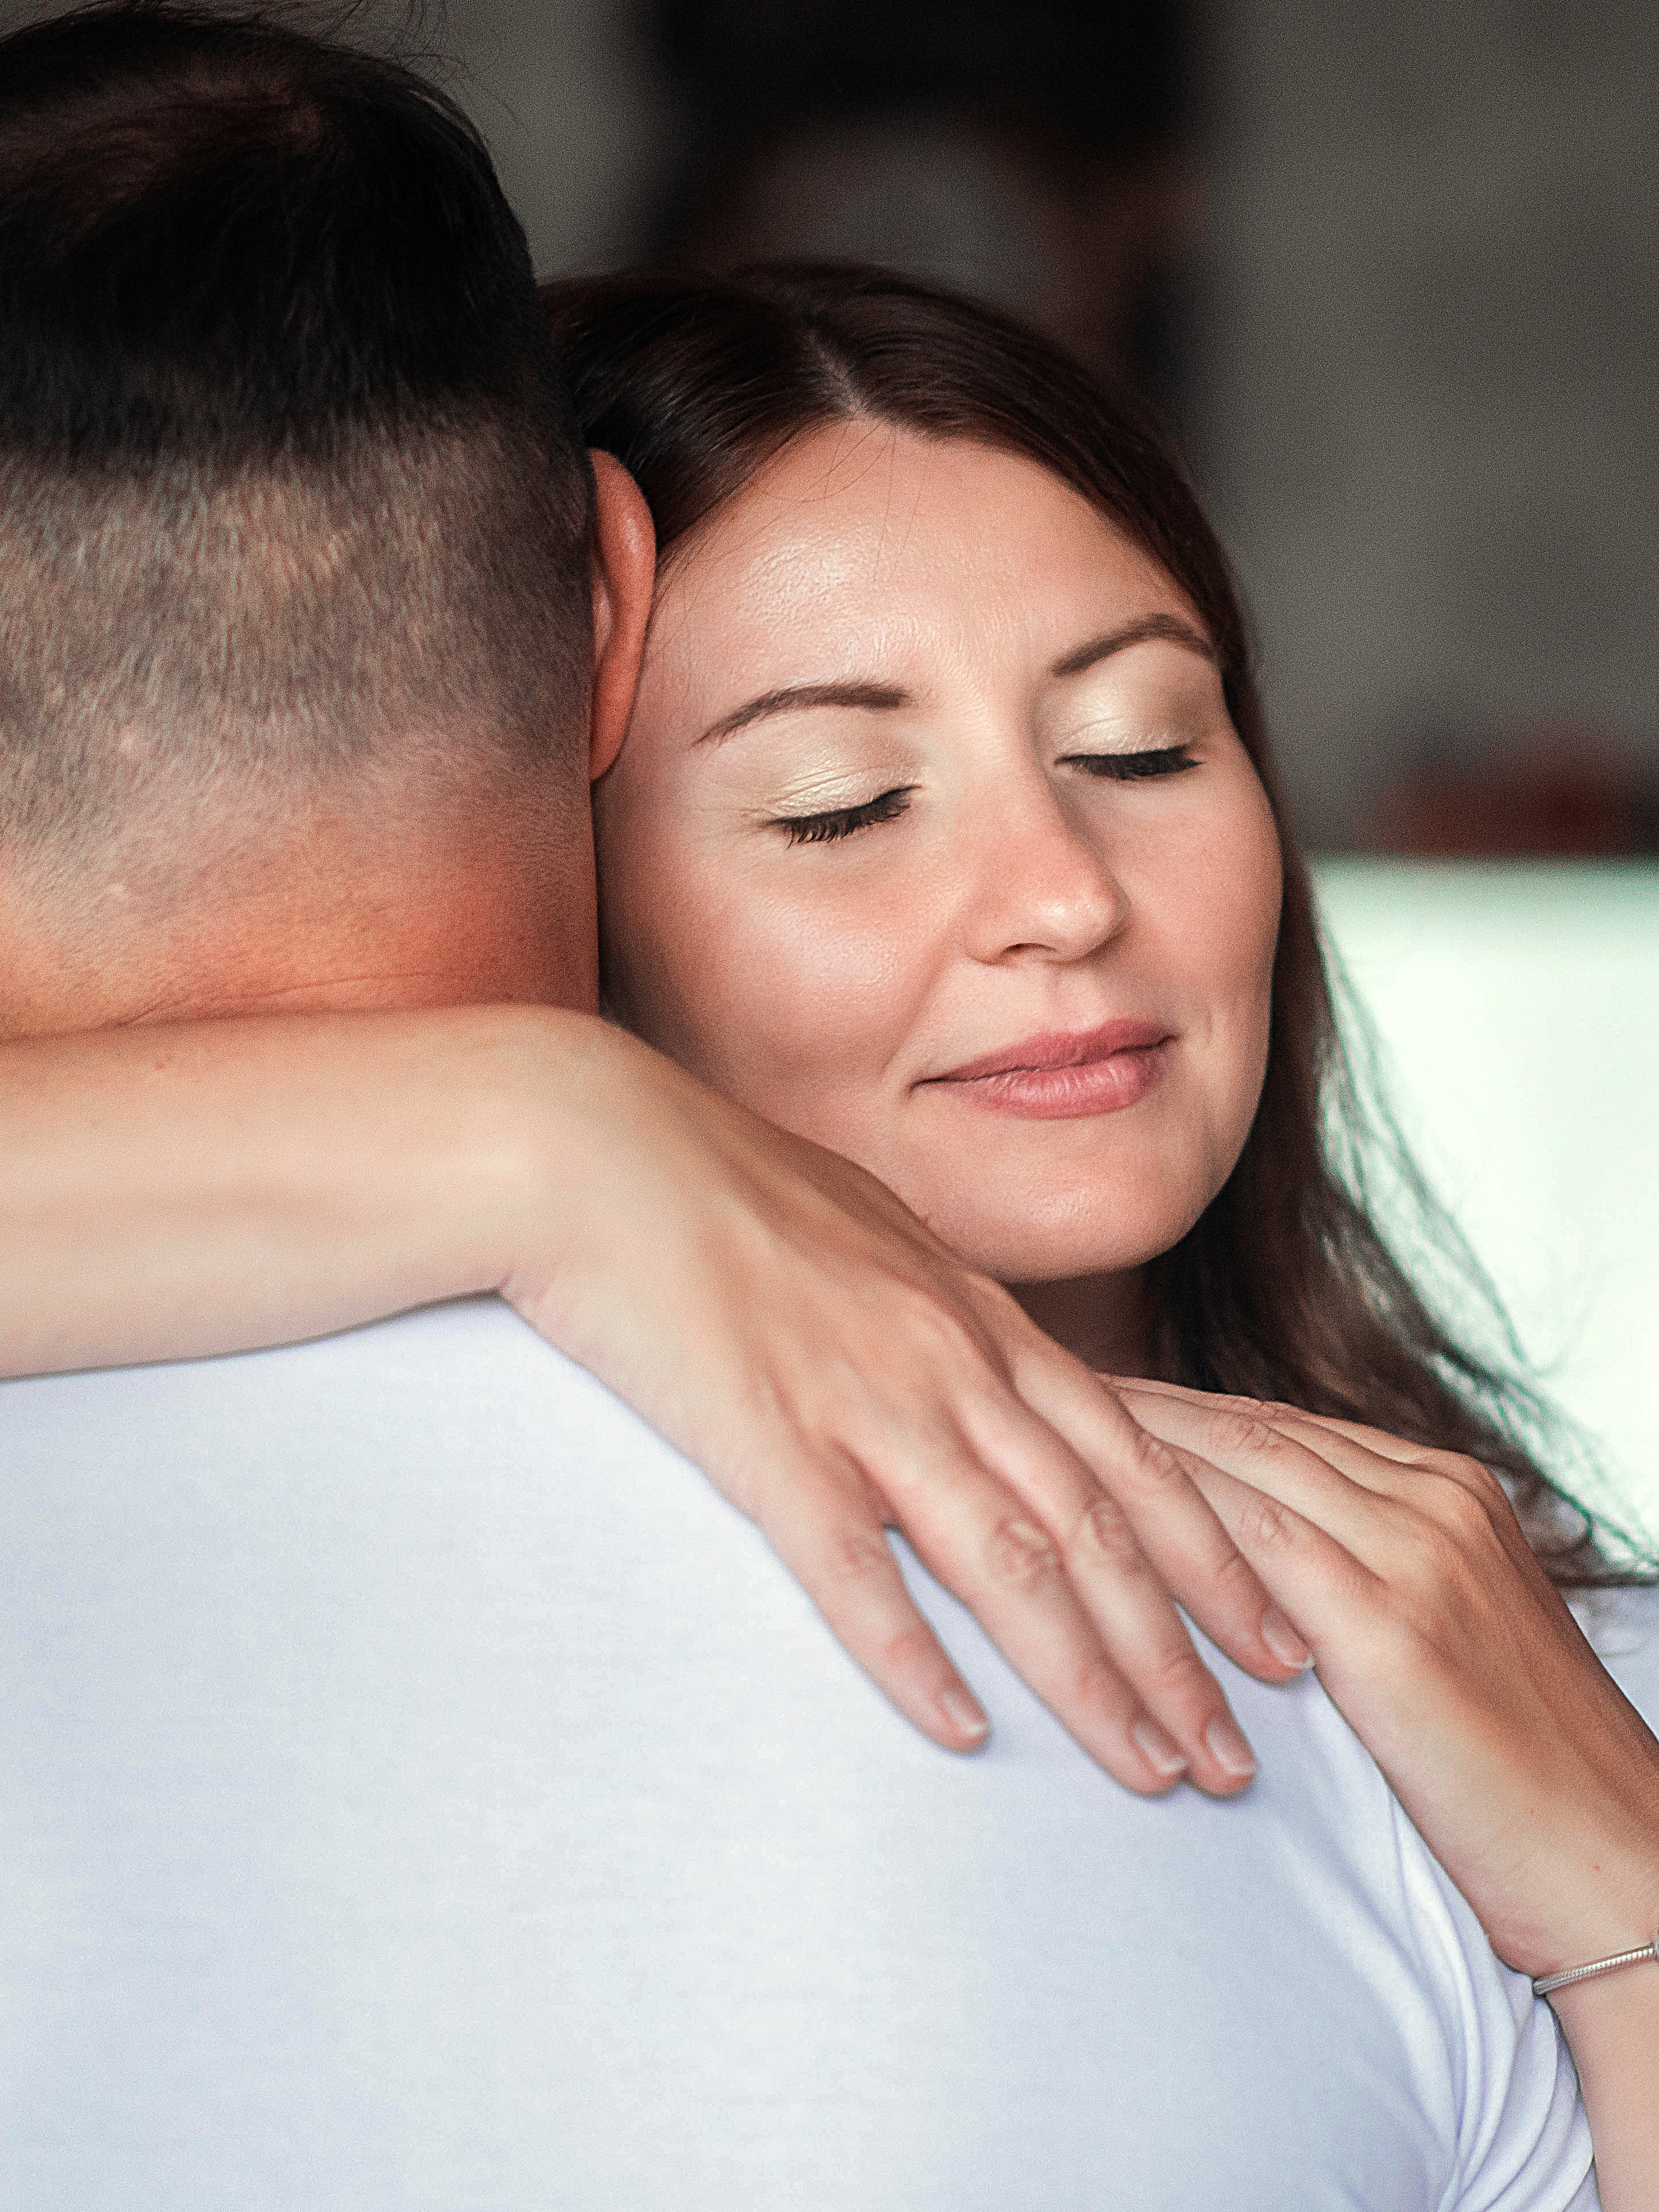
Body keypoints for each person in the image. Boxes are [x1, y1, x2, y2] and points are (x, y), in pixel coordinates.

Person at [1, 13, 1654, 2210]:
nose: (1062, 900)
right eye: (840, 802)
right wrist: (542, 1126)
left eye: (1151, 746)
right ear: (569, 759)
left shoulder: (1536, 1683)